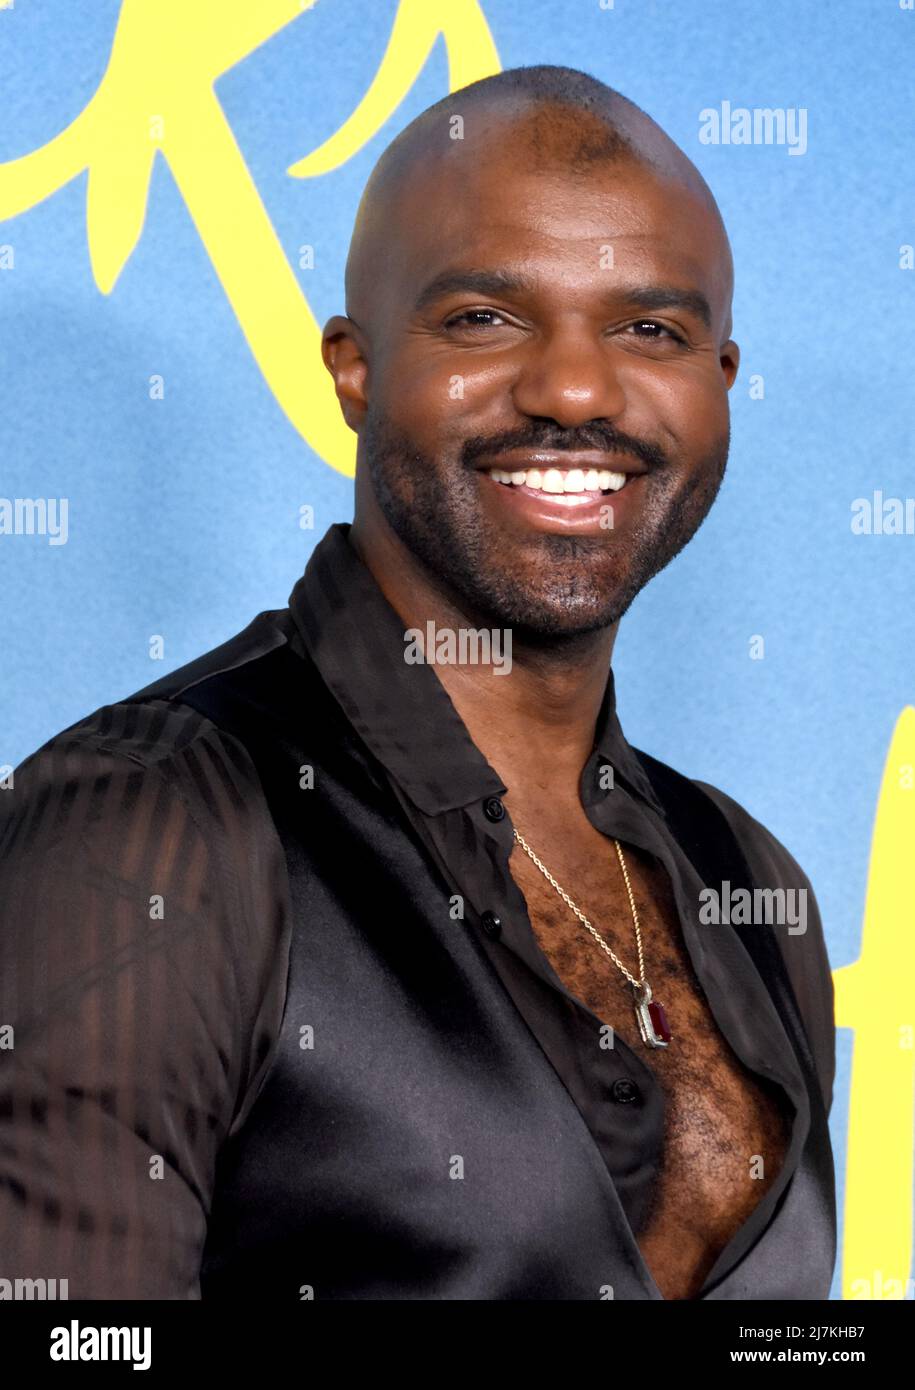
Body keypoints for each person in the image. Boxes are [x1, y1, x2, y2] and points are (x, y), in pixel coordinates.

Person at [0, 65, 835, 1301]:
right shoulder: (148, 824)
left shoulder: (754, 885)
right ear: (354, 368)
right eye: (486, 319)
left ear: (719, 381)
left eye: (649, 329)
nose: (574, 391)